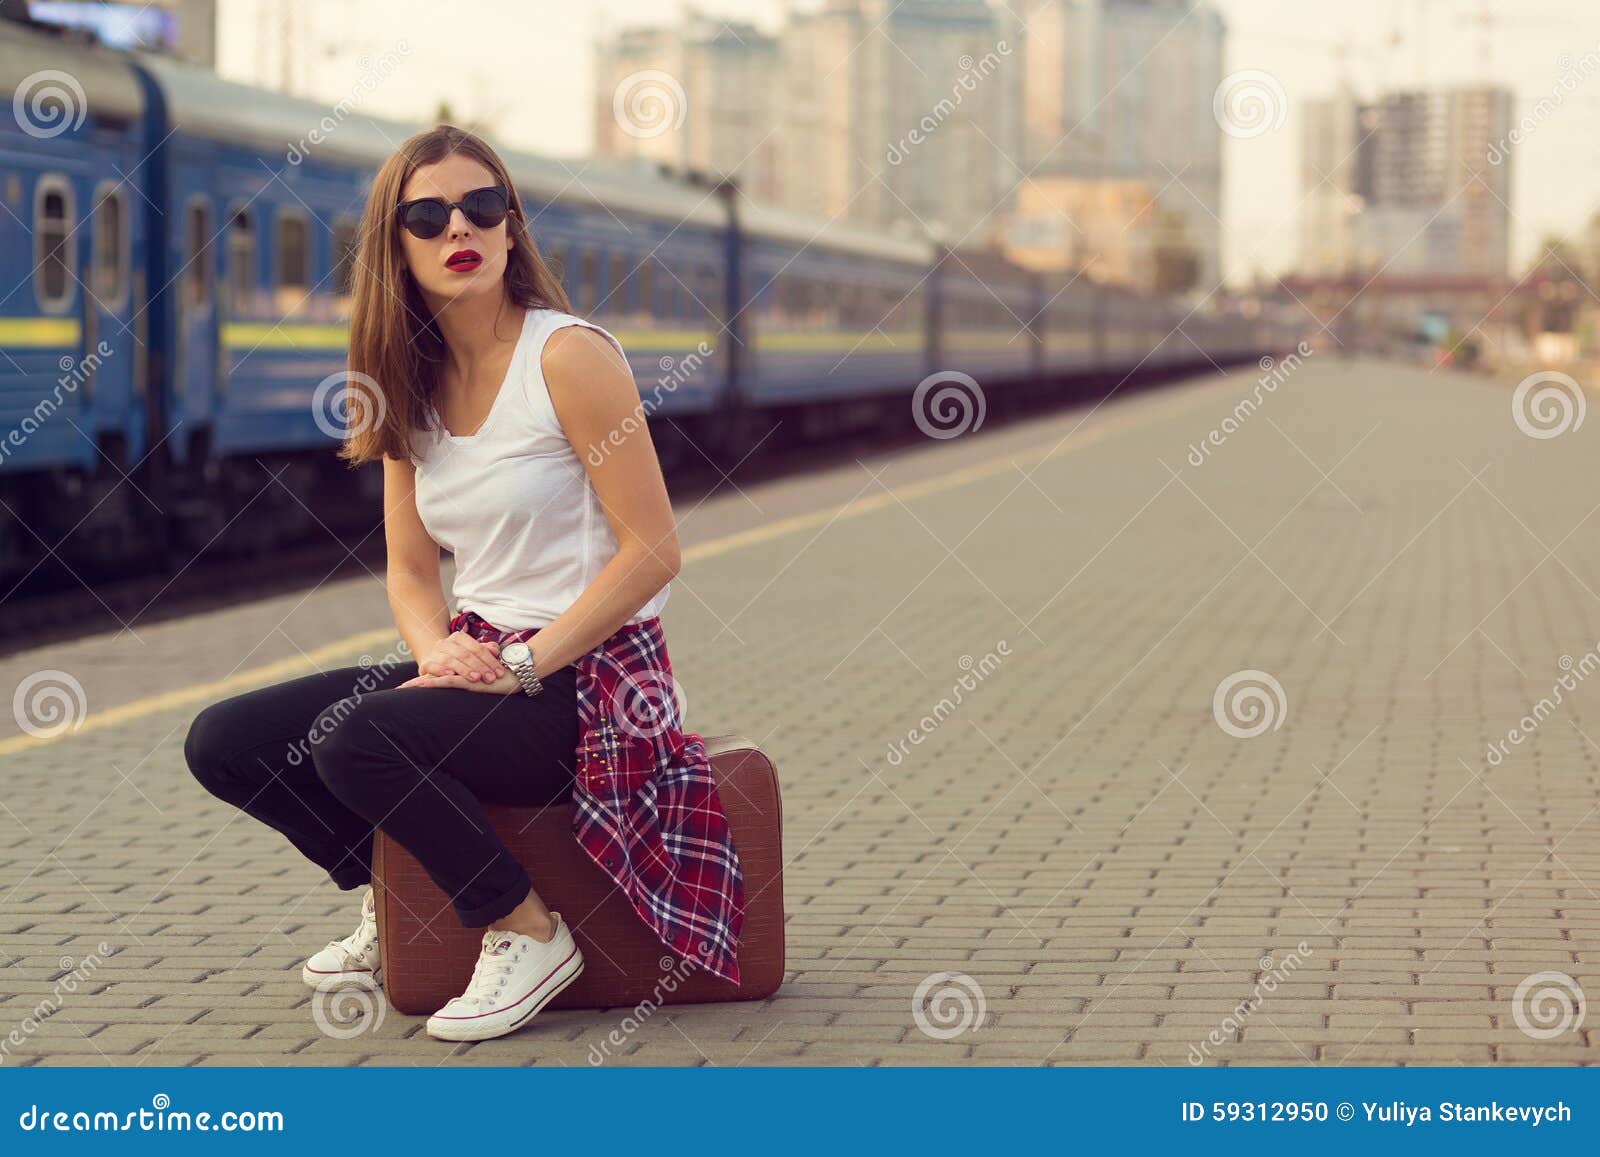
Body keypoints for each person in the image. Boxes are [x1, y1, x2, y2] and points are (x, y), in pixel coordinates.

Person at [183, 124, 743, 1044]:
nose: (461, 227)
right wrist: (435, 649)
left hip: (593, 684)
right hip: (482, 663)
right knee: (227, 740)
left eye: (484, 207)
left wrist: (525, 662)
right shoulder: (407, 379)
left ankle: (524, 928)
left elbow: (651, 551)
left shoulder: (569, 358)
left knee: (357, 739)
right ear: (396, 244)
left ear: (512, 228)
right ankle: (392, 894)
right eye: (429, 214)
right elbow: (409, 572)